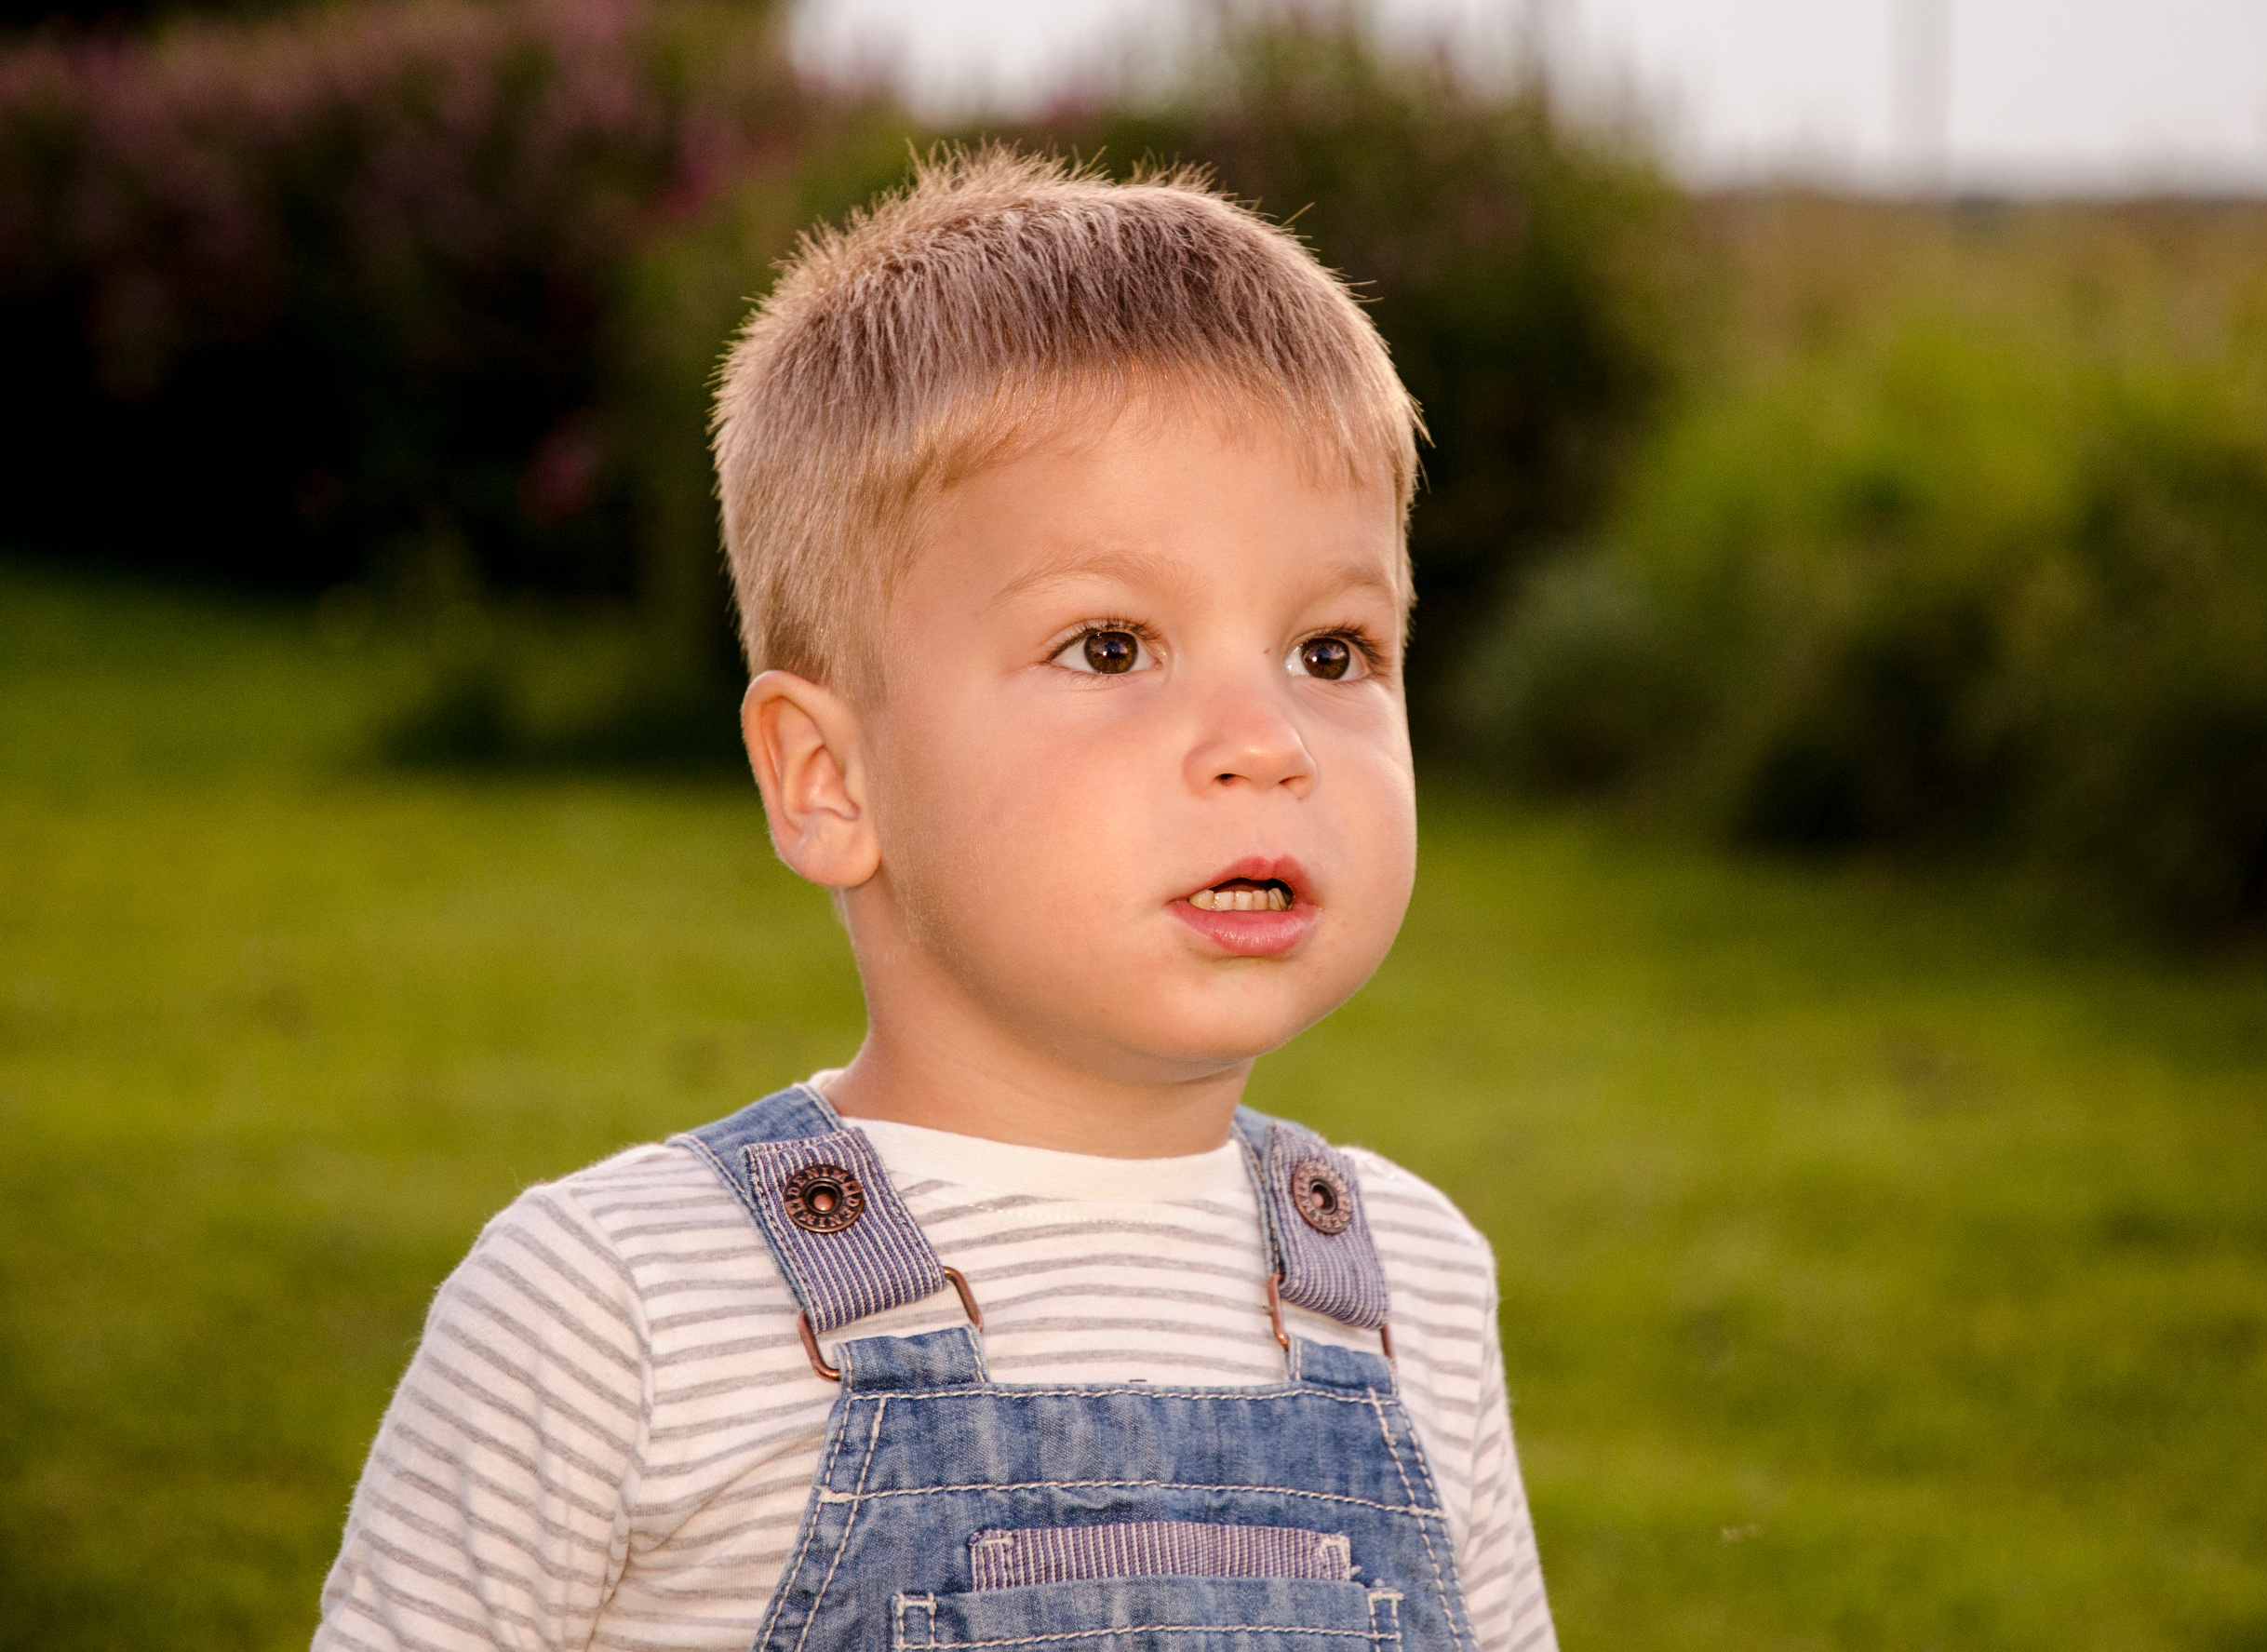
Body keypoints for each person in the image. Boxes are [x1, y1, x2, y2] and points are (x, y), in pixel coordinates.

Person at [315, 147, 1555, 1652]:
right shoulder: (618, 1306)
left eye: (1331, 652)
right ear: (829, 779)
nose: (1266, 742)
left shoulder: (1413, 1283)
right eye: (1111, 648)